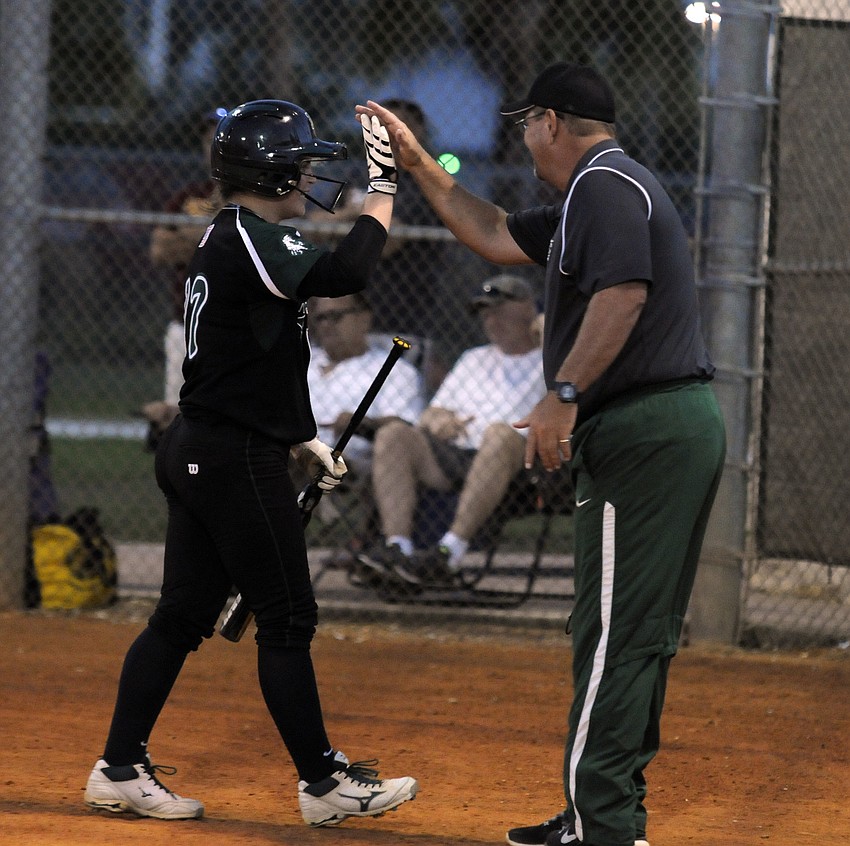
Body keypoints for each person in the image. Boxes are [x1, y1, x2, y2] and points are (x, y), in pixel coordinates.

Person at [358, 61, 726, 846]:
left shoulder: (605, 185)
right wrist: (420, 164)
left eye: (527, 123)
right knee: (633, 630)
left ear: (552, 122)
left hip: (644, 427)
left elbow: (624, 292)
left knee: (613, 632)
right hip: (661, 427)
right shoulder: (586, 197)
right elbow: (492, 233)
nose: (524, 139)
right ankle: (608, 813)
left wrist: (561, 391)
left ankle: (602, 824)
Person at [83, 100, 418, 828]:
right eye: (300, 162)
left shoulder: (237, 236)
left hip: (205, 443)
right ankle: (325, 784)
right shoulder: (251, 235)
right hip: (226, 454)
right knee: (288, 615)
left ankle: (118, 768)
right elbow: (350, 267)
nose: (309, 173)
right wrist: (384, 189)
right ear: (269, 169)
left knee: (182, 615)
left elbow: (253, 357)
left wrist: (299, 438)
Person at [356, 274, 545, 589]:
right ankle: (397, 549)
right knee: (393, 434)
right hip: (458, 454)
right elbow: (434, 410)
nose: (490, 320)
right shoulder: (474, 358)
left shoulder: (551, 358)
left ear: (527, 308)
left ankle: (449, 552)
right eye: (485, 313)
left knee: (499, 433)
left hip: (518, 467)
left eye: (498, 310)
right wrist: (437, 421)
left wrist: (549, 330)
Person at [306, 292, 424, 554]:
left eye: (336, 316)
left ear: (364, 319)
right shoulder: (301, 362)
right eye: (321, 317)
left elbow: (404, 428)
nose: (326, 324)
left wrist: (361, 422)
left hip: (354, 461)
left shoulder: (392, 368)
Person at [143, 107, 229, 445]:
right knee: (179, 418)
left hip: (238, 326)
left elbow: (241, 244)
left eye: (222, 140)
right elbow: (160, 250)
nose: (213, 149)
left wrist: (192, 236)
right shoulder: (189, 196)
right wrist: (215, 233)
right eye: (209, 141)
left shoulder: (265, 196)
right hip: (187, 322)